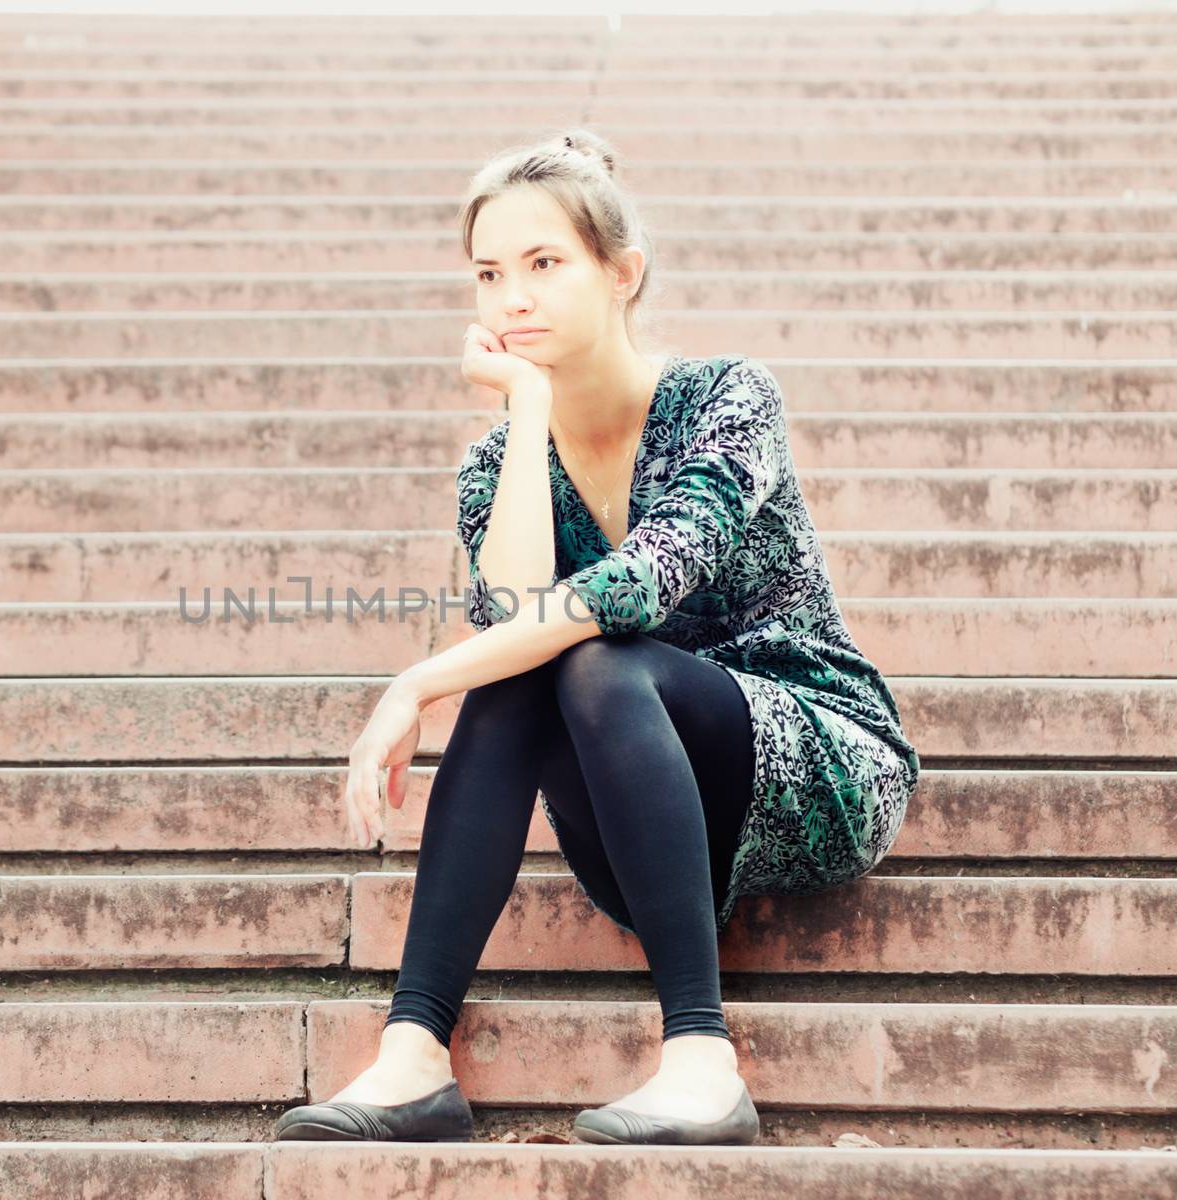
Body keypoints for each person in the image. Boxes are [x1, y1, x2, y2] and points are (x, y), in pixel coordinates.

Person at [274, 129, 920, 1147]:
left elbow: (639, 585)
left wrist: (416, 682)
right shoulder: (494, 467)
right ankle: (413, 1052)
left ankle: (701, 1060)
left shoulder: (725, 400)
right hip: (641, 826)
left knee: (596, 657)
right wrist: (527, 413)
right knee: (536, 668)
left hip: (812, 762)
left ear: (623, 275)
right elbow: (512, 624)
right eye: (489, 274)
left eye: (544, 264)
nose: (511, 298)